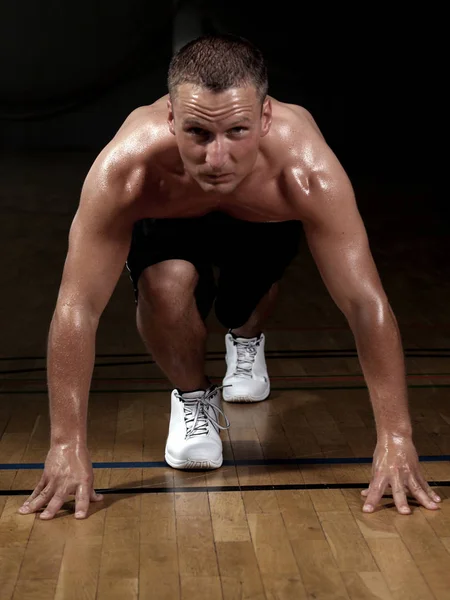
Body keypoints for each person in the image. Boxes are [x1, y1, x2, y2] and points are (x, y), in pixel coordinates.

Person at [18, 34, 441, 520]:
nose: (216, 159)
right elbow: (77, 306)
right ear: (171, 119)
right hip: (171, 217)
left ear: (264, 119)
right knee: (166, 287)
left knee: (245, 302)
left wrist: (396, 436)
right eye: (198, 133)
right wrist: (66, 443)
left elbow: (366, 304)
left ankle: (246, 337)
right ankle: (195, 399)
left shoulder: (304, 169)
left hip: (261, 218)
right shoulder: (129, 170)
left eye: (237, 131)